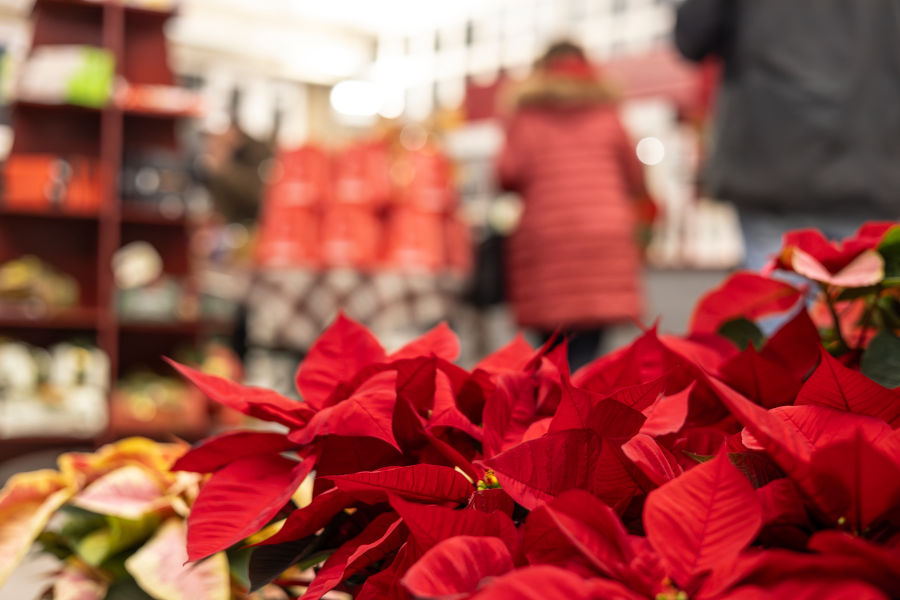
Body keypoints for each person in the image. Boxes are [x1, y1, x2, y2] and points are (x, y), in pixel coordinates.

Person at [674, 0, 900, 270]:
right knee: (866, 303)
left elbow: (692, 35)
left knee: (781, 301)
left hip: (771, 166)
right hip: (874, 164)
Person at [496, 41, 652, 371]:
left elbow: (506, 175)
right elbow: (635, 176)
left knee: (552, 349)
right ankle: (584, 396)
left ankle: (554, 409)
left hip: (547, 240)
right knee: (590, 346)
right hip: (603, 236)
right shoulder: (607, 114)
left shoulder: (527, 116)